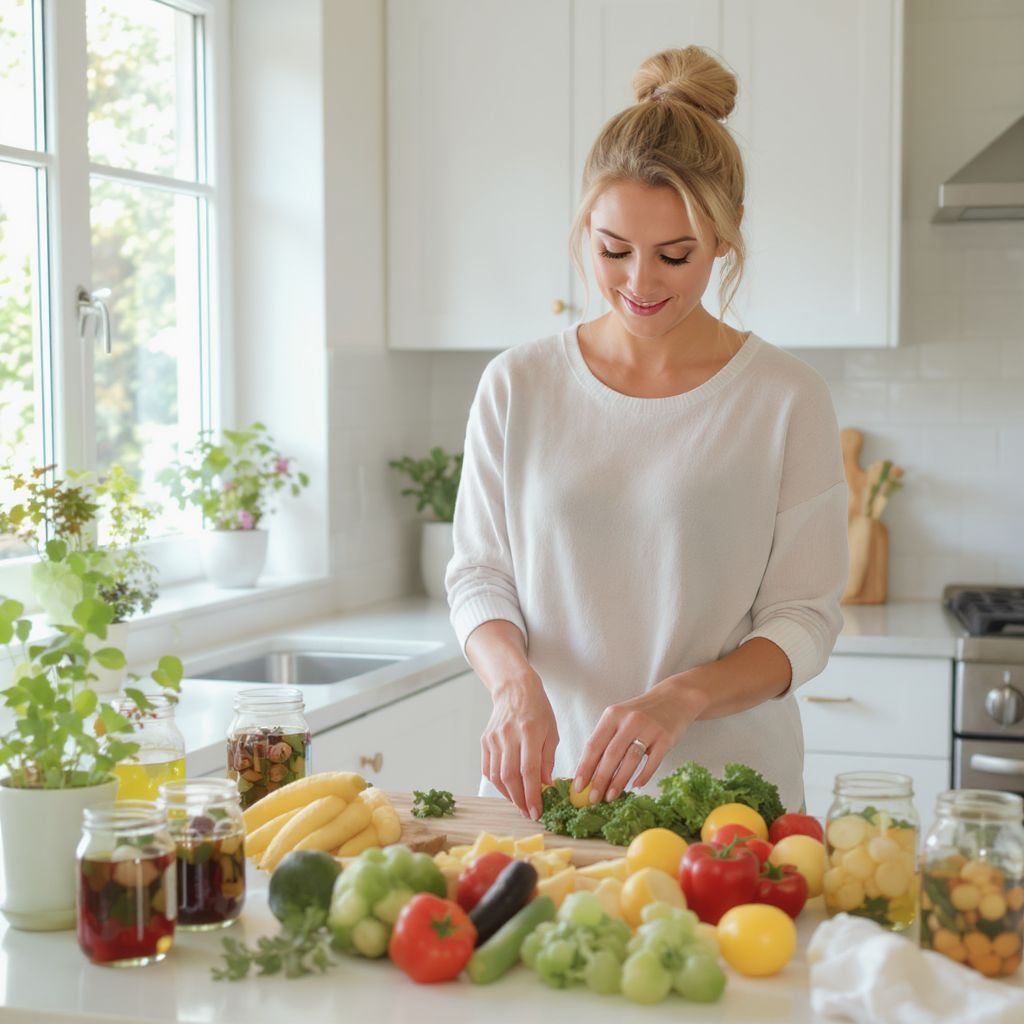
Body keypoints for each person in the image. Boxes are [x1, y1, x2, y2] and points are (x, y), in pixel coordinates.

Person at [445, 46, 848, 823]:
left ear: (725, 240)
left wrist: (682, 697)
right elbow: (479, 577)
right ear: (585, 227)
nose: (639, 282)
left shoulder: (784, 398)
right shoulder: (518, 384)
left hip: (730, 808)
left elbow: (803, 619)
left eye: (674, 255)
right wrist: (512, 683)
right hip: (552, 788)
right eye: (612, 250)